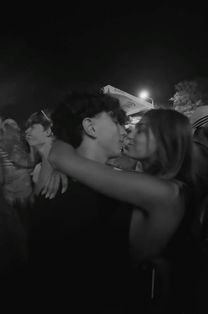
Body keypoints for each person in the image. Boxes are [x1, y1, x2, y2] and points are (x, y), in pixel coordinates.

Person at [49, 107, 196, 313]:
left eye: (141, 130)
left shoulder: (166, 192)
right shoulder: (157, 183)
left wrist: (64, 136)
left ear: (167, 139)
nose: (129, 132)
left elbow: (61, 157)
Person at [28, 91, 130, 312]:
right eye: (116, 121)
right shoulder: (86, 199)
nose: (124, 130)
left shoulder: (60, 188)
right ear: (90, 127)